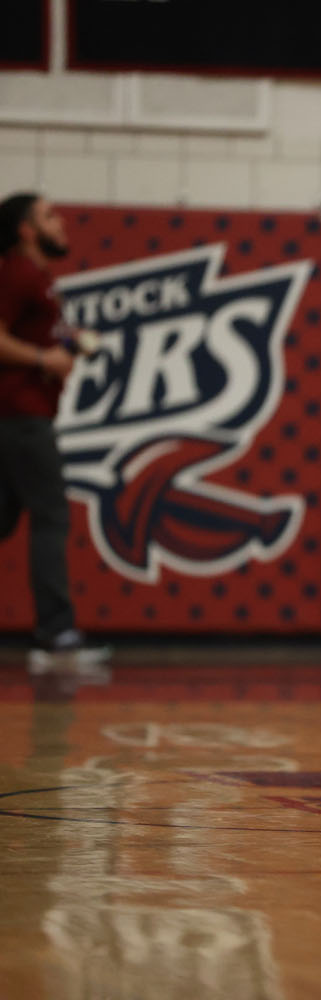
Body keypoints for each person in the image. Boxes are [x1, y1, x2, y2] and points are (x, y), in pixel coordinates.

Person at [0, 192, 109, 668]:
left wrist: (68, 341)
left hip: (19, 418)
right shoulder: (19, 272)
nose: (60, 222)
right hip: (22, 419)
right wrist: (47, 358)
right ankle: (57, 634)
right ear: (26, 230)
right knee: (51, 517)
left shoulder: (38, 279)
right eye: (48, 216)